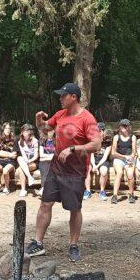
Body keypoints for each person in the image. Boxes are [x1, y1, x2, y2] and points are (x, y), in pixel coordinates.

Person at [26, 83, 102, 262]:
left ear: (73, 97)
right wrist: (38, 120)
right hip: (56, 168)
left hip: (75, 172)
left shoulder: (87, 119)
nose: (60, 99)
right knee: (45, 204)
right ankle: (38, 243)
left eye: (63, 96)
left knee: (74, 209)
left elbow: (96, 144)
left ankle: (73, 245)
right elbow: (45, 129)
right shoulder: (60, 115)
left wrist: (74, 148)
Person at [110, 119, 137, 204]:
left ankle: (131, 194)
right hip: (119, 158)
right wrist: (125, 157)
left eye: (125, 125)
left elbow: (134, 152)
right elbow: (113, 152)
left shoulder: (133, 137)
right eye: (122, 125)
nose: (124, 127)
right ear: (119, 127)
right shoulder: (116, 137)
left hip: (129, 159)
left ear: (129, 127)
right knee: (119, 173)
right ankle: (114, 195)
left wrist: (131, 157)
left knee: (130, 174)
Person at [84, 122, 110, 201]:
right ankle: (88, 191)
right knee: (87, 168)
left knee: (104, 171)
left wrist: (97, 166)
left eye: (99, 131)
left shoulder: (108, 141)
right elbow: (91, 154)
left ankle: (102, 191)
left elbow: (105, 157)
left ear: (103, 131)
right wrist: (94, 166)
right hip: (93, 160)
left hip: (102, 161)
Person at [0, 122, 17, 194]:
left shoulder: (14, 140)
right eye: (6, 128)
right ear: (3, 129)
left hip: (10, 162)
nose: (7, 130)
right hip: (0, 162)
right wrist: (9, 154)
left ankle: (6, 188)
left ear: (11, 130)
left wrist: (4, 153)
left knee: (5, 170)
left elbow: (14, 155)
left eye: (9, 128)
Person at [16, 124, 39, 197]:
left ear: (30, 132)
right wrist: (26, 161)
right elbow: (23, 154)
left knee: (20, 169)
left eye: (27, 131)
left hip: (33, 161)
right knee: (19, 158)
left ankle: (23, 190)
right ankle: (30, 177)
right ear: (21, 132)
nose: (25, 132)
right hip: (25, 161)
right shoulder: (20, 142)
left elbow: (36, 156)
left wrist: (29, 161)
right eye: (23, 131)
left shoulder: (35, 141)